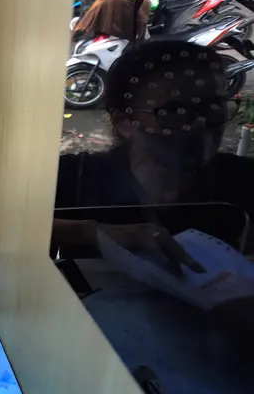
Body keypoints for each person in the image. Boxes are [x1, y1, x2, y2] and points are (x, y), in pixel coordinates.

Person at [53, 40, 254, 269]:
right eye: (175, 112)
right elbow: (6, 222)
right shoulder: (77, 177)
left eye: (213, 106)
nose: (200, 123)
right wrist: (88, 231)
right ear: (124, 123)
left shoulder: (244, 181)